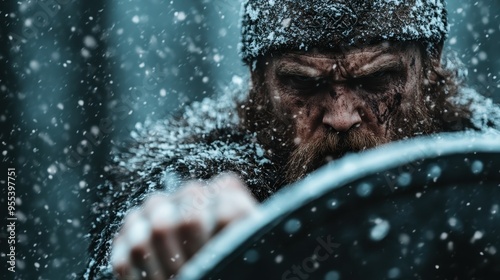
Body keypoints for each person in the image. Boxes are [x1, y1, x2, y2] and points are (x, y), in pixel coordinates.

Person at [83, 0, 500, 279]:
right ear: (258, 85)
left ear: (429, 71)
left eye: (376, 79)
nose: (340, 117)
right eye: (302, 83)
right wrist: (174, 231)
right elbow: (152, 211)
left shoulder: (486, 170)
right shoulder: (208, 164)